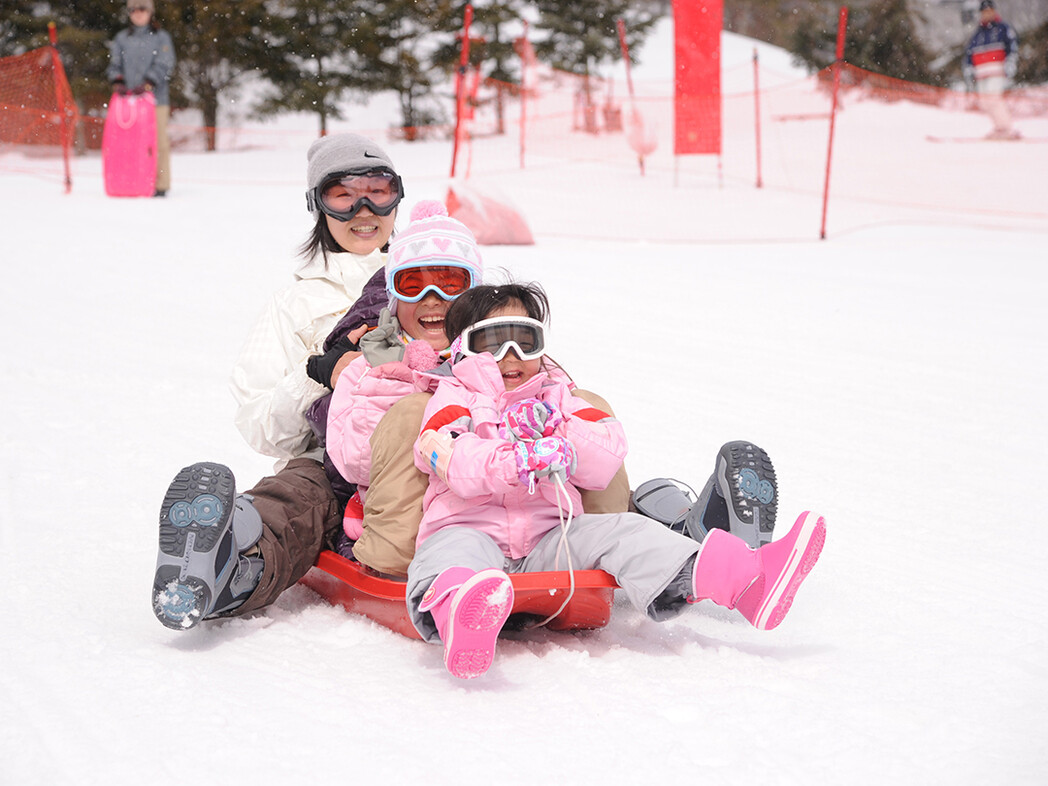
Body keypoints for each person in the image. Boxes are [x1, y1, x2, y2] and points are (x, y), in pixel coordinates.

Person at [404, 283, 827, 679]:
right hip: (470, 529)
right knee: (453, 554)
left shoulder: (559, 397)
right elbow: (444, 454)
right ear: (463, 350)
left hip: (551, 536)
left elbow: (608, 455)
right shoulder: (452, 397)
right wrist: (513, 458)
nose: (512, 355)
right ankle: (464, 618)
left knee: (629, 531)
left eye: (525, 340)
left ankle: (748, 580)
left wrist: (562, 436)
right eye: (494, 343)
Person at [151, 132, 405, 630]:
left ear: (398, 196)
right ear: (318, 205)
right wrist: (323, 373)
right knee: (297, 503)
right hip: (333, 459)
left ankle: (591, 549)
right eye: (342, 194)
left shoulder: (435, 279)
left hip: (436, 447)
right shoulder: (296, 304)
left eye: (378, 190)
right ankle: (225, 561)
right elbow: (260, 423)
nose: (363, 209)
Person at [106, 0, 176, 196]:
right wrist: (117, 81)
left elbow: (165, 63)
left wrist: (148, 83)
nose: (138, 13)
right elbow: (114, 64)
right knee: (127, 143)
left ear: (150, 12)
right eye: (133, 10)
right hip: (127, 103)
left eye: (142, 9)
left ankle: (161, 185)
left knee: (157, 141)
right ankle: (131, 180)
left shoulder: (161, 38)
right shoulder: (121, 38)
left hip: (155, 100)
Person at [963, 0, 1020, 140]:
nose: (987, 14)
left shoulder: (1003, 28)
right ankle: (998, 128)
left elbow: (1012, 46)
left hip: (997, 71)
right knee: (985, 102)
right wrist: (969, 69)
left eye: (989, 10)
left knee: (994, 99)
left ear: (994, 11)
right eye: (984, 11)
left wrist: (1010, 63)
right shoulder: (977, 33)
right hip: (981, 74)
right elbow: (969, 53)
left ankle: (1006, 128)